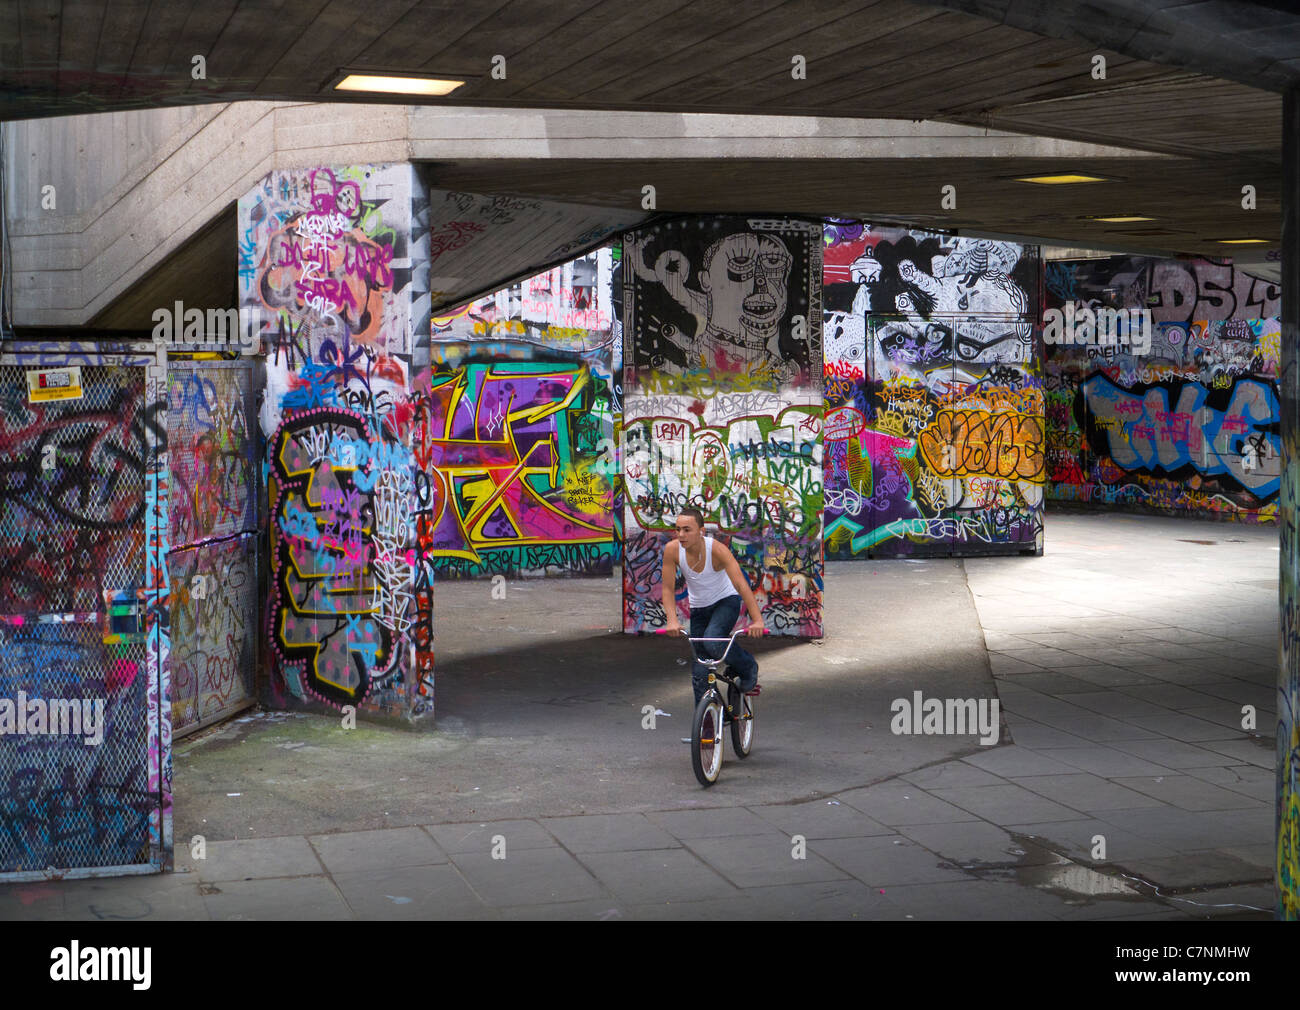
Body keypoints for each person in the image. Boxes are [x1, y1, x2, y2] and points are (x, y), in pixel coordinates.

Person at [661, 508, 763, 718]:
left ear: (700, 530)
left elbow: (742, 585)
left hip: (726, 602)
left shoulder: (716, 550)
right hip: (699, 609)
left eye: (687, 530)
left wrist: (757, 620)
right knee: (699, 672)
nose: (681, 535)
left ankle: (748, 666)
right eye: (678, 529)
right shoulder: (672, 550)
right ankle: (710, 719)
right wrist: (671, 620)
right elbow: (668, 589)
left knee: (713, 641)